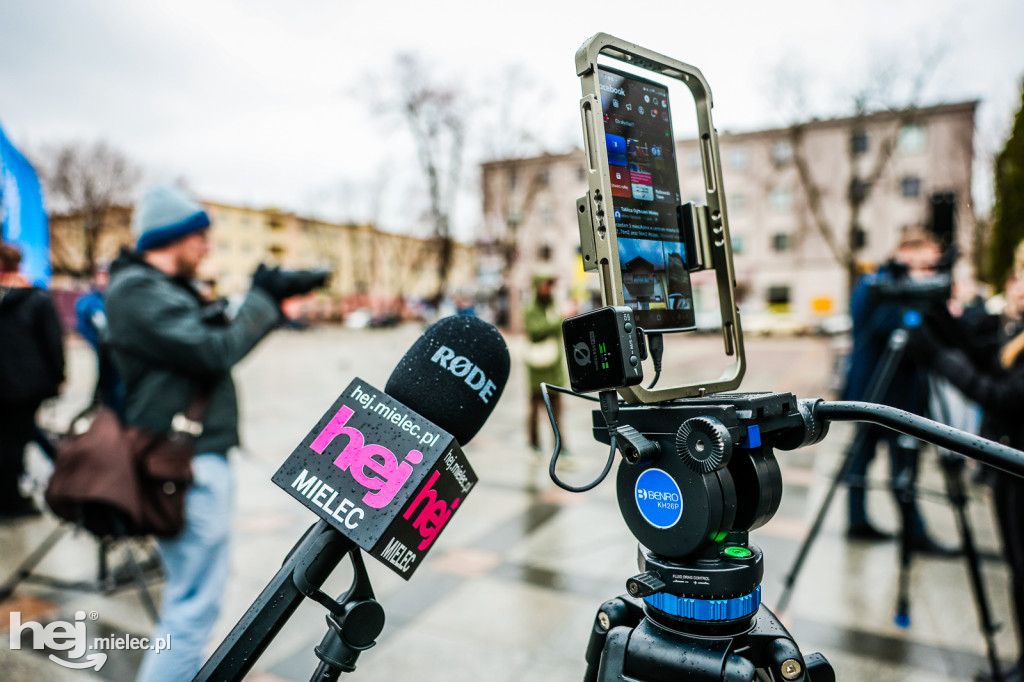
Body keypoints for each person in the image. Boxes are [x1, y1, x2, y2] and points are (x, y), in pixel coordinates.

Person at [104, 185, 328, 681]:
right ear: (171, 237)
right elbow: (214, 349)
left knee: (190, 602)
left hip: (188, 458)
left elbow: (212, 332)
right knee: (192, 609)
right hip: (179, 464)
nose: (208, 248)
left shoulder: (162, 290)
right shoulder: (136, 290)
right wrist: (264, 299)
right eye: (200, 237)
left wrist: (267, 296)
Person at [909, 257, 1024, 681]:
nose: (1017, 286)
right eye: (1015, 275)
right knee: (1017, 567)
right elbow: (983, 356)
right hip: (1011, 469)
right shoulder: (1013, 331)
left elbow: (1002, 394)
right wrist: (937, 312)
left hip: (1018, 466)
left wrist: (939, 359)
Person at [842, 226, 953, 554]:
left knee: (902, 464)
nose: (928, 275)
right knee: (863, 459)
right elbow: (887, 327)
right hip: (872, 392)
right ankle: (862, 522)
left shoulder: (904, 289)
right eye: (923, 266)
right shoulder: (877, 284)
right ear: (905, 257)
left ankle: (910, 530)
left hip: (902, 392)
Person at [0, 243, 65, 518]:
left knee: (11, 439)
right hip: (28, 386)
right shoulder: (36, 299)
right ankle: (11, 499)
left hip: (11, 385)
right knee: (16, 440)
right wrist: (58, 377)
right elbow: (53, 343)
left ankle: (10, 494)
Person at [524, 273, 568, 456]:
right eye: (546, 285)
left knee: (558, 411)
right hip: (538, 368)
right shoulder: (531, 309)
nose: (549, 289)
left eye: (550, 285)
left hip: (554, 367)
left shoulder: (552, 305)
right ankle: (534, 444)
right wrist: (559, 320)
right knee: (535, 411)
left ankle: (561, 445)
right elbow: (535, 331)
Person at [75, 261, 124, 414]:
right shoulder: (88, 302)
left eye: (106, 275)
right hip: (100, 351)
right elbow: (87, 326)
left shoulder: (118, 298)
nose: (103, 279)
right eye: (99, 275)